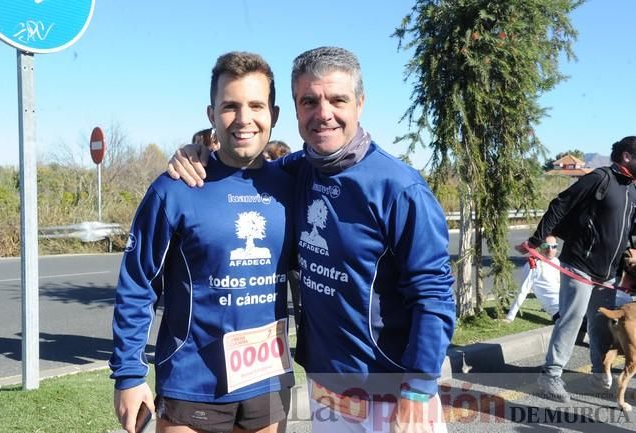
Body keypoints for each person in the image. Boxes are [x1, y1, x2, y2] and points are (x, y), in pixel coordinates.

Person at [169, 46, 456, 433]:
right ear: (295, 110)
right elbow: (246, 168)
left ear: (360, 103)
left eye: (337, 99)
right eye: (309, 101)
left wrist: (418, 390)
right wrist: (198, 153)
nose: (324, 114)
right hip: (326, 390)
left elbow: (434, 294)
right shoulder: (297, 170)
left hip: (391, 394)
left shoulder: (400, 188)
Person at [109, 52, 296, 433]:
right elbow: (137, 283)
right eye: (230, 106)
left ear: (274, 115)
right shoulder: (176, 187)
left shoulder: (293, 184)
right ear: (211, 114)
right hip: (193, 383)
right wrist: (128, 374)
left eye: (256, 105)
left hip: (268, 380)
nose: (244, 119)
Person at [516, 136, 636, 403]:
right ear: (627, 156)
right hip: (579, 264)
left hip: (608, 274)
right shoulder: (600, 178)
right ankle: (550, 375)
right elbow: (561, 203)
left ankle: (598, 375)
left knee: (600, 326)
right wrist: (536, 241)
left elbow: (631, 231)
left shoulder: (632, 190)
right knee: (572, 319)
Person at [504, 235, 560, 323]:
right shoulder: (533, 265)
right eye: (545, 246)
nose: (550, 250)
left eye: (554, 246)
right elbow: (522, 292)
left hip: (569, 304)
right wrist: (510, 317)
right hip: (560, 312)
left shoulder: (556, 261)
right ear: (539, 247)